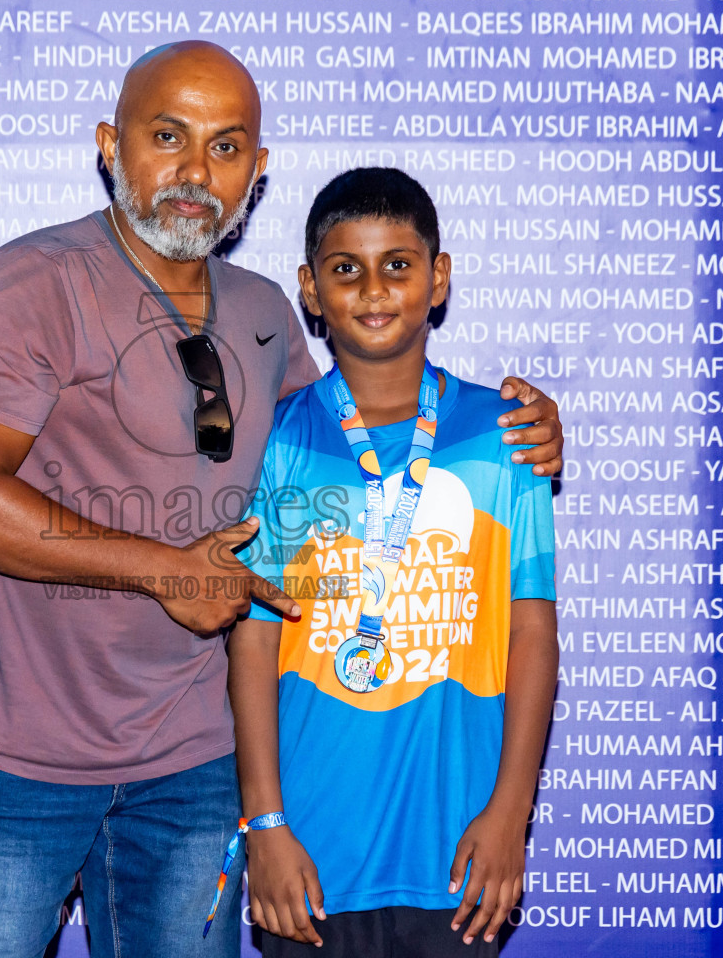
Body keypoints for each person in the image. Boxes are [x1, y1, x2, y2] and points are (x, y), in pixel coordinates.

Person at [0, 42, 565, 958]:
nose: (193, 171)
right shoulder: (26, 286)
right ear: (111, 145)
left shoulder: (266, 317)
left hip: (195, 769)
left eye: (225, 147)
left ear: (257, 172)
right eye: (167, 136)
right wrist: (165, 571)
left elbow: (355, 449)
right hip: (11, 764)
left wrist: (522, 428)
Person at [230, 167, 560, 957]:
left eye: (398, 265)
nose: (373, 289)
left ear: (437, 278)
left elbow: (532, 635)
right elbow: (253, 637)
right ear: (311, 290)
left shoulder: (502, 433)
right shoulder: (280, 440)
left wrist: (511, 812)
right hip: (311, 856)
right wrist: (265, 824)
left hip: (459, 855)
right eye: (346, 269)